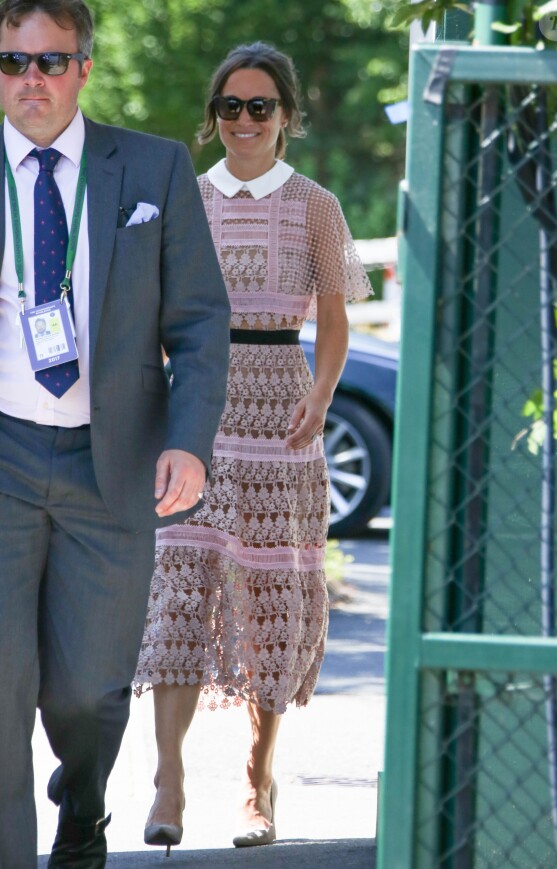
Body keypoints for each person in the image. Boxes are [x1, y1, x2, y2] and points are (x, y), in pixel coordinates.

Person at [0, 1, 230, 867]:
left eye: (51, 62)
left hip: (114, 461)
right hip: (4, 455)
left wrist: (189, 438)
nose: (32, 80)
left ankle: (84, 799)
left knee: (88, 695)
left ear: (84, 69)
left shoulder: (154, 168)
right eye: (13, 61)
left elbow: (203, 322)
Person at [134, 41, 373, 855]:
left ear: (287, 118)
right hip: (197, 408)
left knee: (270, 611)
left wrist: (323, 391)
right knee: (175, 596)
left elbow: (336, 323)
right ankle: (166, 780)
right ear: (214, 117)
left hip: (282, 412)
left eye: (260, 106)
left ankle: (255, 785)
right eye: (230, 106)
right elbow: (156, 314)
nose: (244, 121)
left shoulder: (316, 205)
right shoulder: (186, 197)